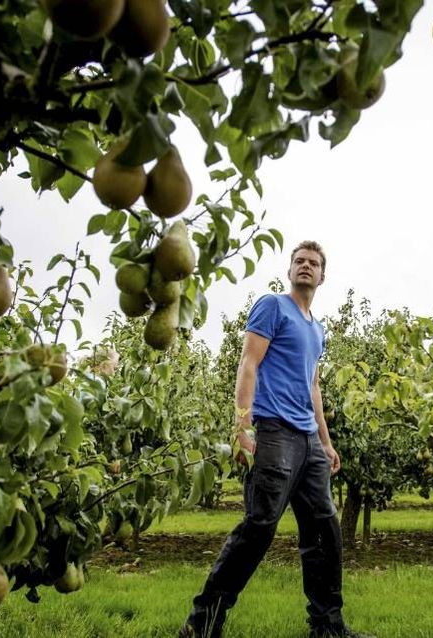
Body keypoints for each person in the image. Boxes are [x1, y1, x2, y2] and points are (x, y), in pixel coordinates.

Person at [179, 241, 371, 638]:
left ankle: (327, 626)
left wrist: (326, 440)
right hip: (273, 432)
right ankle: (203, 623)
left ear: (323, 276)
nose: (306, 266)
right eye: (299, 261)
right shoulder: (272, 306)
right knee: (259, 527)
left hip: (308, 441)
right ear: (290, 271)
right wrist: (242, 428)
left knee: (324, 532)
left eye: (313, 263)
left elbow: (313, 386)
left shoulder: (318, 328)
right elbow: (248, 363)